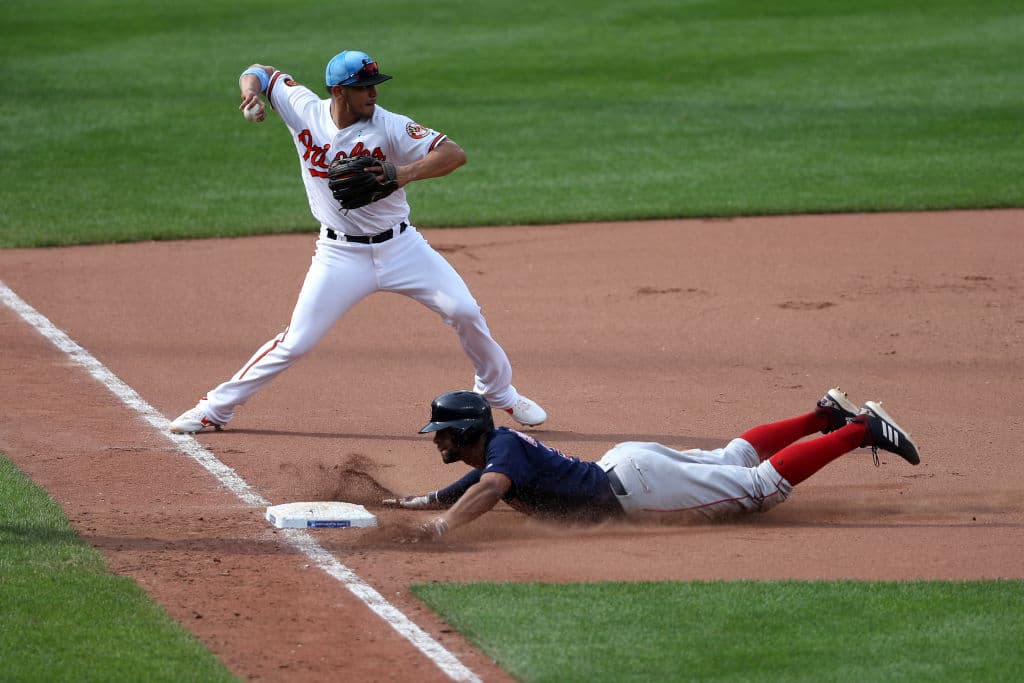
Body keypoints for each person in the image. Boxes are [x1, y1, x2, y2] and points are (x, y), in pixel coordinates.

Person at [170, 50, 546, 434]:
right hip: (339, 254)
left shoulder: (390, 126)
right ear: (338, 91)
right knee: (296, 342)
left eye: (374, 85)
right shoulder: (303, 109)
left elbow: (453, 154)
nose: (373, 94)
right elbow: (261, 72)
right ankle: (215, 408)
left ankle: (498, 391)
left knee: (465, 311)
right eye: (363, 87)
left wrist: (402, 173)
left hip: (401, 248)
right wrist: (251, 92)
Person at [382, 388, 920, 540]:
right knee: (733, 457)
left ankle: (858, 430)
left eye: (444, 433)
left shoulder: (502, 458)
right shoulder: (499, 451)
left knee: (760, 488)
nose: (438, 441)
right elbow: (477, 481)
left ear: (468, 431)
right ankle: (823, 415)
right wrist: (426, 501)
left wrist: (442, 527)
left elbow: (490, 486)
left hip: (637, 492)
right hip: (629, 465)